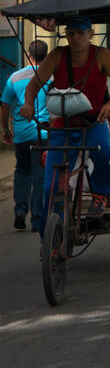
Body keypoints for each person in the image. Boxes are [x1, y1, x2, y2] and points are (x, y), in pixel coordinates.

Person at [20, 17, 110, 227]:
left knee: (104, 151)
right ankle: (51, 241)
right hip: (63, 125)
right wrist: (27, 104)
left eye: (81, 33)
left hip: (93, 122)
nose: (76, 38)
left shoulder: (101, 55)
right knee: (50, 187)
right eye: (71, 33)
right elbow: (34, 84)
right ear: (66, 36)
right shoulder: (57, 55)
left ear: (91, 34)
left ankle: (101, 194)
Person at [1, 40, 50, 231]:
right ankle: (37, 219)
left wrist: (5, 129)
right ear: (46, 56)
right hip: (44, 134)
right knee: (39, 176)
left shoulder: (14, 77)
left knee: (22, 171)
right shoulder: (51, 77)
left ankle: (20, 211)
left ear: (29, 55)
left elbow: (4, 106)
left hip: (21, 135)